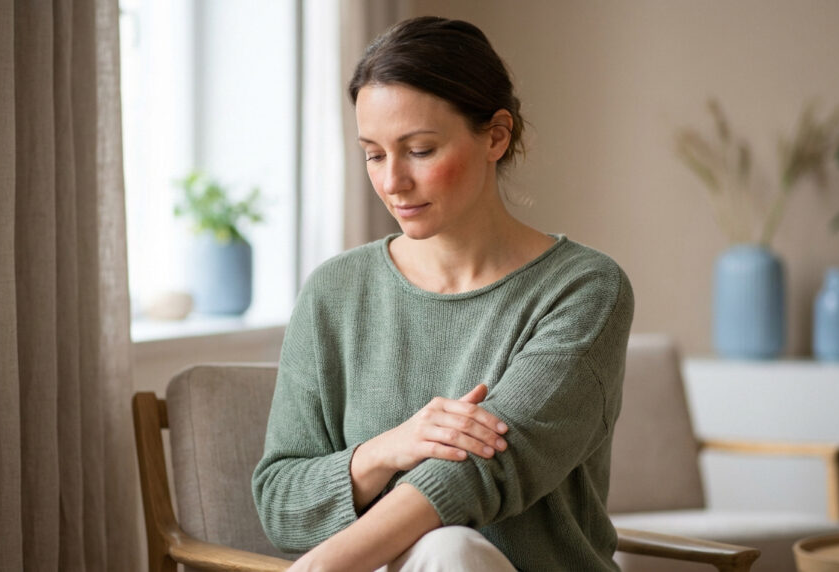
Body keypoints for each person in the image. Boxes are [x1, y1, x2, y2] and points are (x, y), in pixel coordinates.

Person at [252, 16, 633, 572]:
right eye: (373, 154)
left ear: (496, 136)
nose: (392, 182)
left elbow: (477, 472)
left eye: (420, 150)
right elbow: (281, 506)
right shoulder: (335, 291)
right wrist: (386, 449)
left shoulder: (584, 289)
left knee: (447, 548)